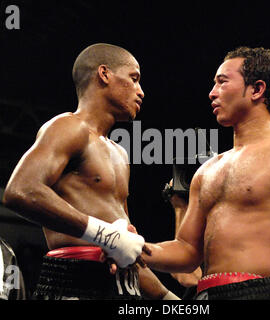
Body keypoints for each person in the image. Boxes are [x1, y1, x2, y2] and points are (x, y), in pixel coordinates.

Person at [142, 47, 270, 300]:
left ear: (256, 89)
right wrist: (135, 249)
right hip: (203, 296)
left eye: (222, 82)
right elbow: (186, 251)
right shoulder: (206, 171)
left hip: (261, 292)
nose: (212, 93)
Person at [2, 43, 179, 300]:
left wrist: (166, 298)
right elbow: (20, 191)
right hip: (72, 283)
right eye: (134, 79)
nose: (141, 91)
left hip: (121, 288)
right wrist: (106, 235)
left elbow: (125, 249)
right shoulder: (68, 127)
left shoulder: (120, 154)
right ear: (104, 74)